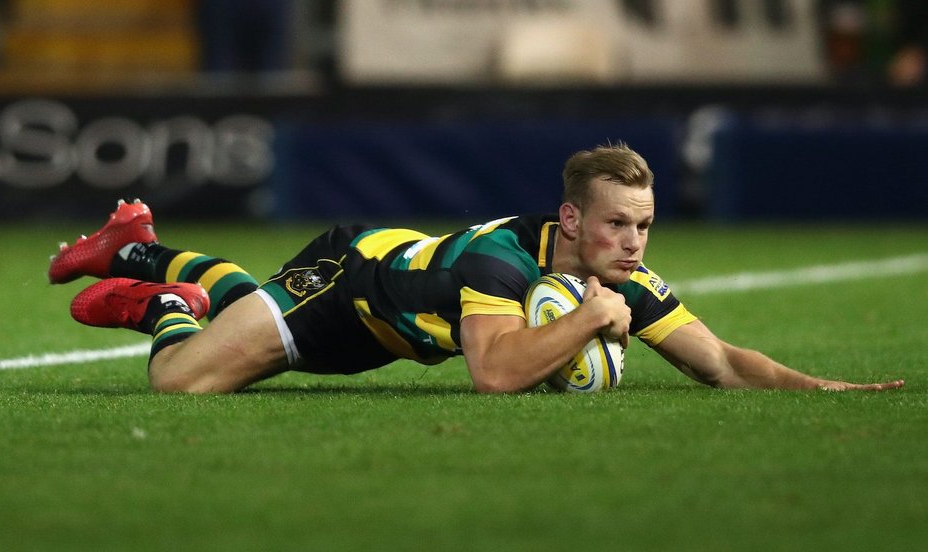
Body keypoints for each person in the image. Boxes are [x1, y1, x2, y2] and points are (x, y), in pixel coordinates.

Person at [48, 144, 905, 394]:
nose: (635, 245)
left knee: (240, 336)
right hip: (347, 283)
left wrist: (820, 389)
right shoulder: (499, 262)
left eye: (643, 226)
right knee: (181, 385)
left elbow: (722, 365)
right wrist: (590, 320)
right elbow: (495, 374)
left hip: (391, 339)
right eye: (617, 226)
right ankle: (161, 293)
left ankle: (135, 242)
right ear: (571, 220)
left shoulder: (627, 277)